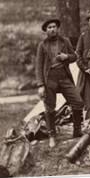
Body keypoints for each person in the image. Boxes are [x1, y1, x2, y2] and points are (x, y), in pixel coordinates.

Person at [35, 18, 84, 148]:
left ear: (58, 28)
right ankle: (52, 135)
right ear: (46, 30)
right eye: (49, 27)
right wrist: (40, 85)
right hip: (49, 79)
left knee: (78, 101)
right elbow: (38, 66)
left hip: (64, 76)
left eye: (54, 27)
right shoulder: (42, 45)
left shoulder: (65, 41)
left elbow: (75, 57)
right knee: (50, 107)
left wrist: (66, 57)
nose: (52, 29)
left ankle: (77, 130)